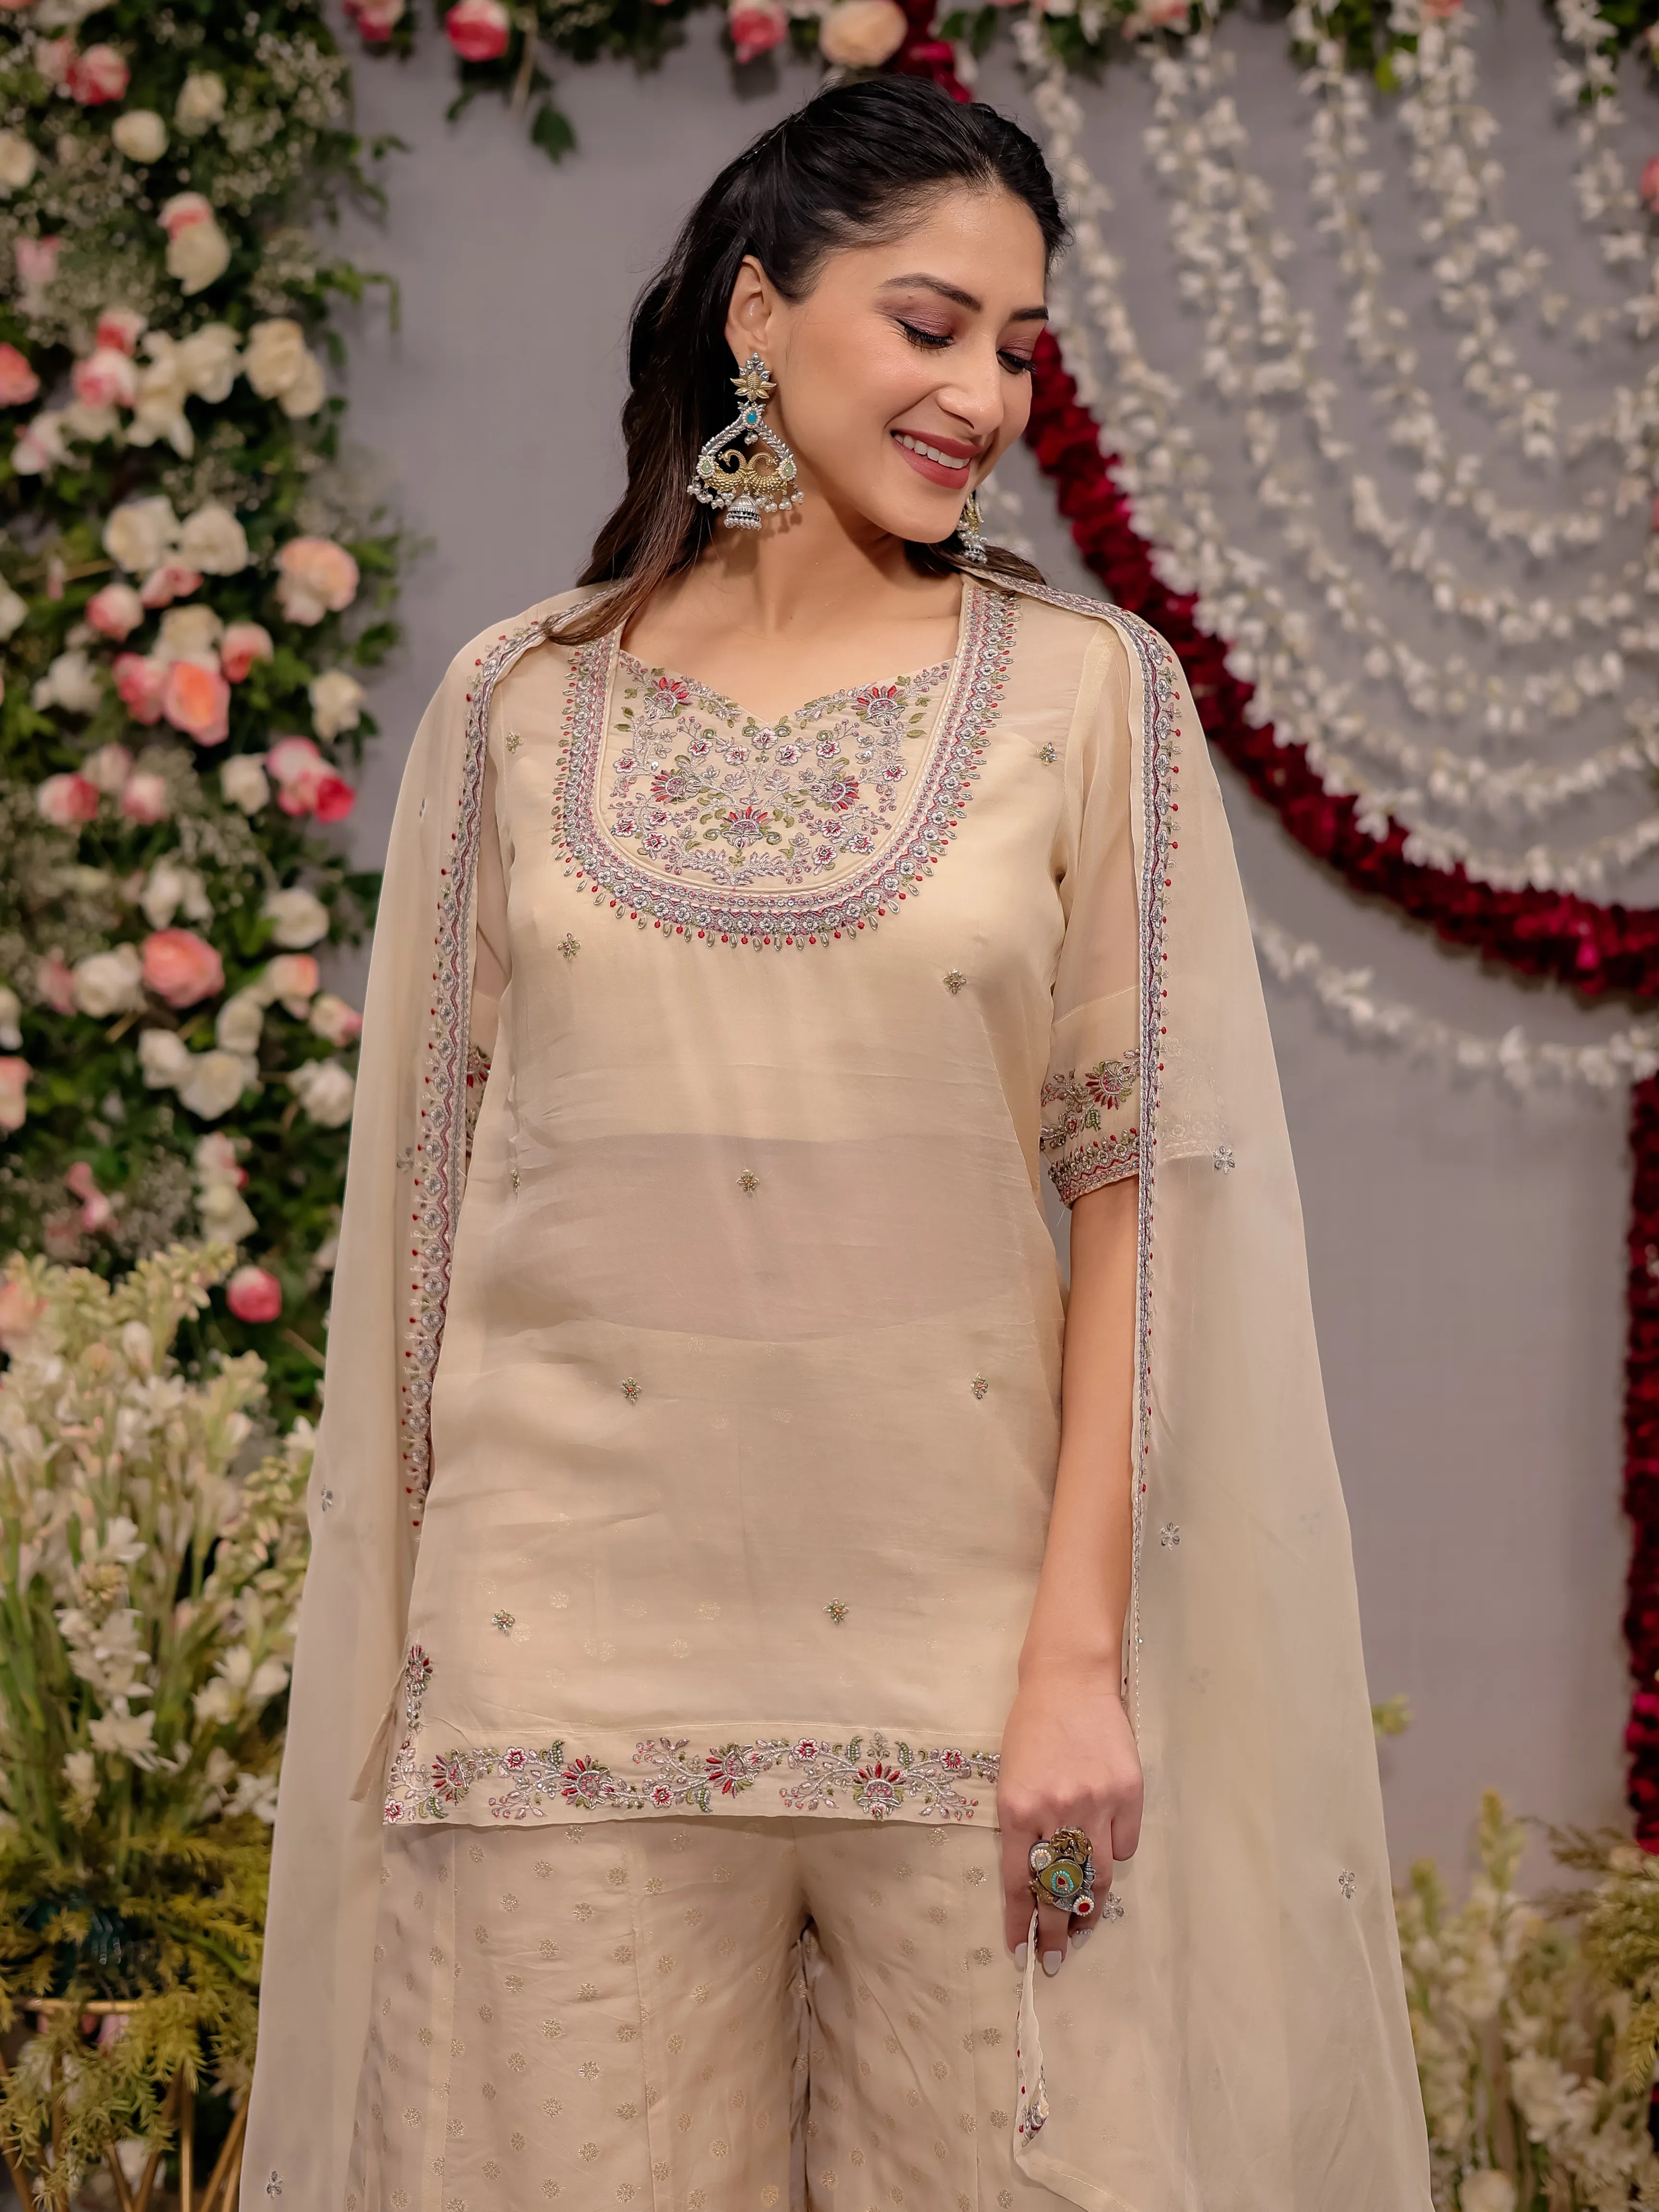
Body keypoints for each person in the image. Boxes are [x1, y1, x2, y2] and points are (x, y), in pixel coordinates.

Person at [243, 75, 1432, 2212]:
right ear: (756, 314)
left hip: (967, 1674)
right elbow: (424, 1236)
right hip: (559, 1677)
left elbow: (1133, 1194)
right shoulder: (517, 708)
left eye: (1015, 349)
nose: (980, 389)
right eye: (928, 322)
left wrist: (1074, 1660)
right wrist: (421, 1655)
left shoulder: (1087, 698)